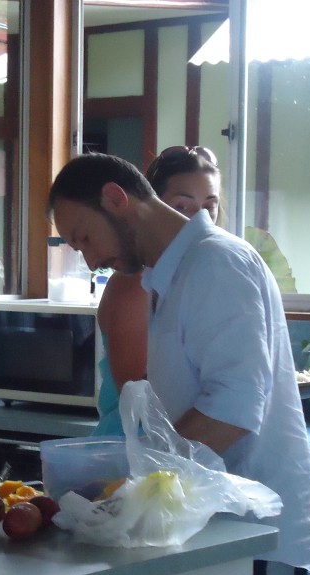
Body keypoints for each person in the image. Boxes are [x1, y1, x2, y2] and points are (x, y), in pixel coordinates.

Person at [49, 152, 310, 575]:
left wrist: (140, 483)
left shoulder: (217, 264)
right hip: (209, 528)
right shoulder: (164, 279)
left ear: (118, 199)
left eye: (84, 237)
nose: (88, 258)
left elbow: (231, 410)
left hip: (257, 535)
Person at [93, 145, 222, 434]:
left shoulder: (205, 272)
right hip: (129, 454)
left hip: (177, 453)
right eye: (182, 206)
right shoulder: (133, 282)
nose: (197, 219)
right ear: (152, 205)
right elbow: (139, 398)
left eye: (209, 206)